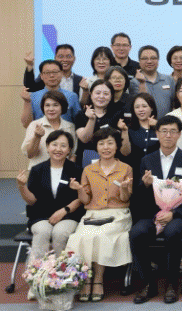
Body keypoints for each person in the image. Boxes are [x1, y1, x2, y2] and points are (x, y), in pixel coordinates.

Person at [129, 116, 182, 304]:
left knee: (173, 231)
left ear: (179, 134)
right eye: (164, 131)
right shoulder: (146, 160)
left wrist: (174, 213)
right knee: (136, 233)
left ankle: (172, 284)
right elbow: (139, 197)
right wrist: (144, 185)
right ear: (157, 133)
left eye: (173, 131)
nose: (168, 135)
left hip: (178, 215)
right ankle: (147, 284)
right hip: (152, 214)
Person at [66, 127, 134, 302]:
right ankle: (86, 278)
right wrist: (79, 189)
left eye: (110, 143)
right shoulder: (88, 170)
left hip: (118, 213)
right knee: (80, 236)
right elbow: (85, 200)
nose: (106, 147)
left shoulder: (125, 168)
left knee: (101, 235)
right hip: (93, 214)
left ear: (117, 146)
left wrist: (124, 188)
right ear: (96, 147)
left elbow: (125, 199)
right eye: (101, 143)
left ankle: (98, 279)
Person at [17, 131, 83, 270]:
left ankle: (64, 275)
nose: (58, 149)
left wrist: (64, 211)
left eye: (63, 145)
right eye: (54, 144)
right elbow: (32, 201)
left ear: (69, 150)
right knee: (42, 232)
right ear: (47, 147)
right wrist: (22, 186)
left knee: (60, 233)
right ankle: (37, 275)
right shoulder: (37, 170)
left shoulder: (77, 170)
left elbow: (80, 198)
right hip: (41, 216)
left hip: (68, 215)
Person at [22, 91, 77, 170]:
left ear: (62, 107)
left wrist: (68, 173)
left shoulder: (70, 127)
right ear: (43, 107)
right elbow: (29, 154)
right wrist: (37, 137)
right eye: (47, 105)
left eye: (55, 105)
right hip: (38, 173)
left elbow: (72, 154)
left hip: (63, 173)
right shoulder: (34, 125)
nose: (51, 109)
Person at [74, 79, 122, 167]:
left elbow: (119, 141)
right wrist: (91, 119)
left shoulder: (118, 114)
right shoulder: (81, 115)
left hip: (111, 160)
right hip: (86, 160)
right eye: (98, 93)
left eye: (106, 94)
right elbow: (84, 139)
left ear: (111, 96)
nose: (101, 96)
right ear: (91, 94)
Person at [21, 60, 81, 128]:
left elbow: (79, 123)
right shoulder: (33, 96)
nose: (52, 75)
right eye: (47, 72)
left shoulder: (72, 96)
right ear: (41, 76)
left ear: (61, 74)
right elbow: (26, 125)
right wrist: (27, 102)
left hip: (66, 133)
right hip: (40, 133)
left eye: (55, 72)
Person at [129, 45, 176, 119]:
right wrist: (142, 83)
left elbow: (175, 105)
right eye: (145, 58)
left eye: (153, 58)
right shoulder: (133, 83)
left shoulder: (169, 80)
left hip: (167, 125)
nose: (149, 61)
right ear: (139, 61)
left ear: (158, 60)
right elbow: (138, 105)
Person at [118, 93, 159, 172]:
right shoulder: (128, 128)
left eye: (144, 106)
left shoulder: (160, 127)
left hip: (155, 172)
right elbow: (125, 153)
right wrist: (124, 131)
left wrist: (158, 126)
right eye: (137, 107)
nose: (140, 110)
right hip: (134, 172)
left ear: (152, 108)